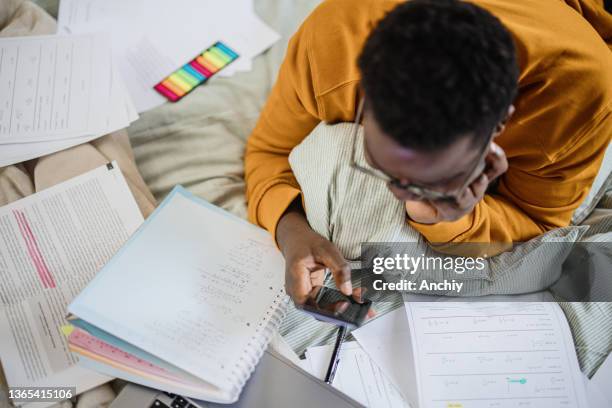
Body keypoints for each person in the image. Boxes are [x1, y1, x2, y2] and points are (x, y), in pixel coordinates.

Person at [244, 0, 612, 304]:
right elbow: (268, 150)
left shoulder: (580, 97)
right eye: (379, 166)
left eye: (435, 179)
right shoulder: (329, 43)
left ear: (501, 127)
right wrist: (290, 231)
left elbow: (540, 224)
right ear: (363, 100)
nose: (400, 196)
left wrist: (450, 221)